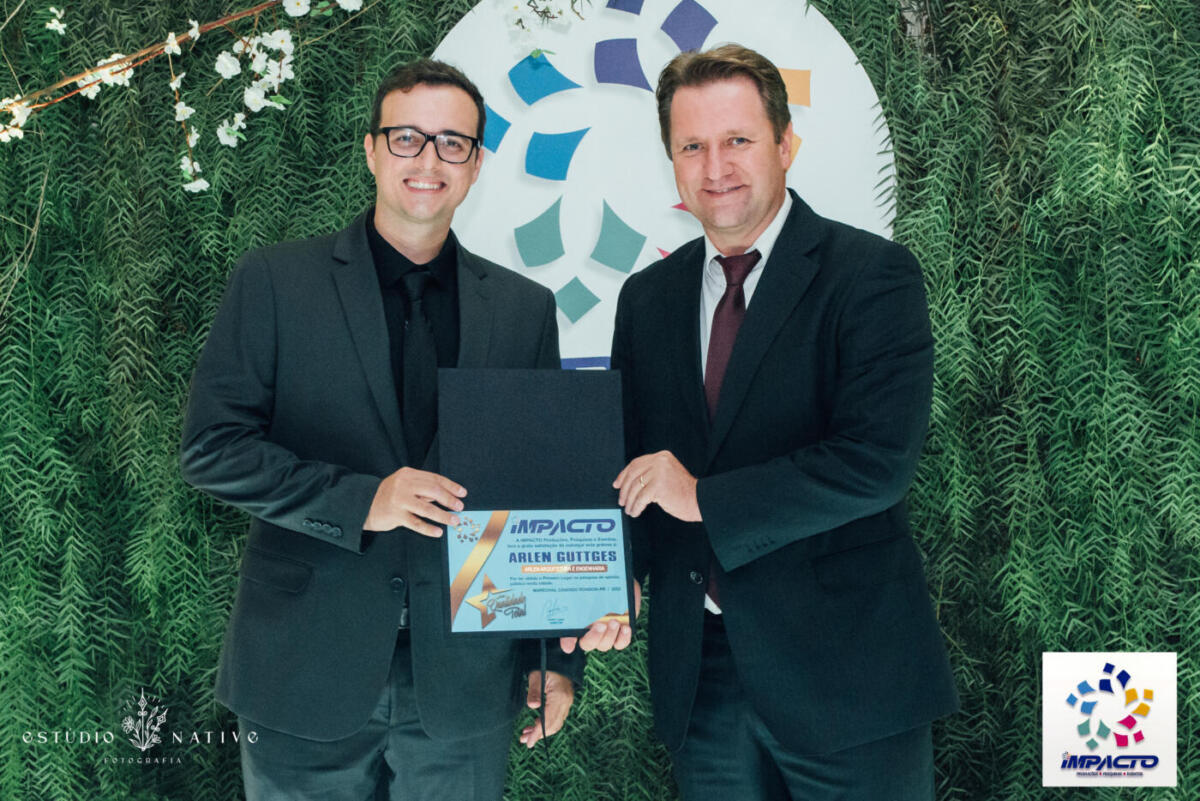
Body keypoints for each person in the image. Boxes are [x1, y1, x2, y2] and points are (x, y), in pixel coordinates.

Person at [181, 59, 580, 801]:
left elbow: (541, 489)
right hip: (303, 670)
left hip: (466, 683)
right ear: (371, 150)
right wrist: (365, 499)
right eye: (407, 138)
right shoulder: (274, 281)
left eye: (452, 143)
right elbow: (213, 449)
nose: (429, 159)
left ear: (476, 164)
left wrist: (556, 657)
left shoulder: (523, 309)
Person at [566, 44, 958, 800]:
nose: (715, 167)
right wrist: (614, 575)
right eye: (692, 146)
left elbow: (875, 462)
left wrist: (703, 498)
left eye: (737, 140)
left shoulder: (871, 275)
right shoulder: (647, 298)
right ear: (671, 161)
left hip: (847, 678)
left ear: (786, 145)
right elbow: (633, 468)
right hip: (702, 677)